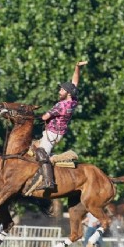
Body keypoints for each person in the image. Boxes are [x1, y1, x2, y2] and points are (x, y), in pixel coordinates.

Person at [35, 61, 88, 190]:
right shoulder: (73, 101)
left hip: (52, 134)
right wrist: (77, 67)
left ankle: (48, 181)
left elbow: (44, 117)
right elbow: (75, 83)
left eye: (62, 90)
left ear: (68, 93)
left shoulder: (61, 105)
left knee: (42, 155)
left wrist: (32, 115)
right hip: (58, 133)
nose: (59, 91)